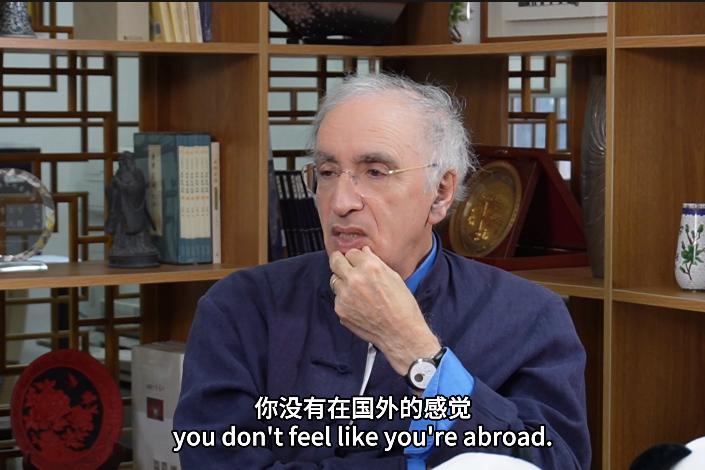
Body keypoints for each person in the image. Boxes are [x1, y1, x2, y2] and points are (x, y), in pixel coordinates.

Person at [174, 73, 591, 469]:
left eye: (375, 173)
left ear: (441, 193)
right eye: (327, 172)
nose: (341, 202)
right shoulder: (241, 307)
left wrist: (418, 353)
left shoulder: (529, 317)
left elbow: (552, 462)